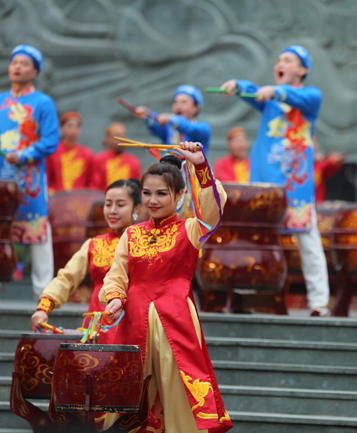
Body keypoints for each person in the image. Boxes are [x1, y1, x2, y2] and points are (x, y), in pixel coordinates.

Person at [101, 142, 231, 433]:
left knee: (178, 387)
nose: (153, 201)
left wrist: (199, 166)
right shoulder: (132, 233)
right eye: (147, 193)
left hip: (176, 320)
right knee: (131, 388)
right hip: (134, 319)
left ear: (180, 195)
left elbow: (213, 209)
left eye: (162, 193)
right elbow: (117, 275)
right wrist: (114, 299)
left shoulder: (190, 229)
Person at [219, 45, 330, 316]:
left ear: (302, 70)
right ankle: (250, 297)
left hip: (295, 186)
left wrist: (275, 91)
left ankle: (318, 303)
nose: (280, 63)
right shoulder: (269, 100)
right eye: (279, 59)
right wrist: (238, 85)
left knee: (308, 241)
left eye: (288, 60)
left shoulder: (311, 97)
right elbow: (252, 91)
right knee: (256, 242)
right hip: (264, 185)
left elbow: (287, 95)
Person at [31, 178, 141, 343]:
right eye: (108, 204)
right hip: (98, 322)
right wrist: (44, 308)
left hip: (135, 319)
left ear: (136, 208)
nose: (112, 210)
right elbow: (67, 278)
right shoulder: (94, 245)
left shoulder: (144, 242)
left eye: (120, 205)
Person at [0, 45, 59, 297]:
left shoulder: (42, 103)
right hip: (2, 178)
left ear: (34, 71)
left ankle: (44, 291)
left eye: (24, 64)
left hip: (30, 179)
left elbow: (50, 141)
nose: (17, 67)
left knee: (38, 229)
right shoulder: (1, 101)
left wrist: (22, 155)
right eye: (15, 63)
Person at [134, 85, 212, 154]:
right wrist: (147, 115)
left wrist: (170, 118)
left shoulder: (203, 128)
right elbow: (156, 124)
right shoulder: (169, 128)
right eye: (175, 102)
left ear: (196, 108)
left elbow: (188, 127)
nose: (178, 105)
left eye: (184, 102)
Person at [46, 111, 94, 193]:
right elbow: (47, 179)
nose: (73, 130)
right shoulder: (52, 151)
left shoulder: (87, 154)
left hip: (80, 200)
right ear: (61, 128)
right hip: (57, 200)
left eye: (77, 127)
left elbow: (91, 182)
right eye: (69, 126)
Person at [92, 123, 141, 190]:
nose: (120, 139)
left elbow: (137, 187)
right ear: (108, 138)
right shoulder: (99, 159)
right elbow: (94, 185)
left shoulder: (134, 161)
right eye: (116, 136)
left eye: (122, 136)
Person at [313, 137, 345, 203]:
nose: (316, 145)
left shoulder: (319, 162)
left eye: (315, 142)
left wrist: (333, 160)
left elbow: (331, 167)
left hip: (318, 205)